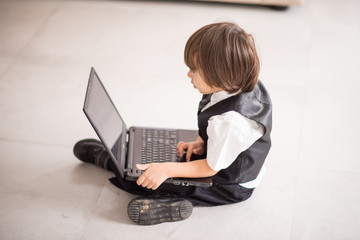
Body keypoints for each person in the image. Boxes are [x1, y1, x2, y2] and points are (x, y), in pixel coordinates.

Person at [73, 22, 272, 225]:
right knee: (157, 165)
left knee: (142, 179)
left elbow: (210, 169)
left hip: (229, 186)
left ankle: (162, 195)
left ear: (221, 74)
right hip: (224, 157)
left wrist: (167, 170)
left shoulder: (230, 122)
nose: (189, 74)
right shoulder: (237, 83)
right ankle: (123, 159)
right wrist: (201, 141)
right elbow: (226, 139)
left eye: (195, 70)